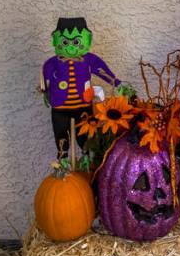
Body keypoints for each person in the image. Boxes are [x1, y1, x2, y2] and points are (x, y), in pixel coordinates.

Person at [39, 17, 133, 155]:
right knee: (60, 135)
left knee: (85, 136)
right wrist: (45, 92)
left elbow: (103, 72)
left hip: (83, 107)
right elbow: (44, 82)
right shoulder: (51, 63)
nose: (71, 46)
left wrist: (116, 83)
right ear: (55, 40)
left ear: (87, 40)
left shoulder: (89, 60)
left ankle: (86, 159)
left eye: (76, 41)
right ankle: (63, 160)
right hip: (60, 108)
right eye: (65, 41)